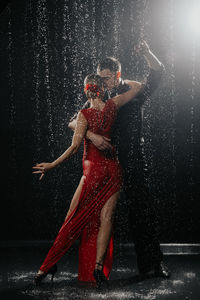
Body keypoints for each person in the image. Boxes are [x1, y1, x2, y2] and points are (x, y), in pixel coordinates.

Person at [68, 41, 170, 279]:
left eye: (106, 78)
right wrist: (91, 135)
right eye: (100, 79)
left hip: (133, 161)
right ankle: (85, 266)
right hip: (107, 164)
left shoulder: (135, 91)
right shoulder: (97, 98)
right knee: (94, 214)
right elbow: (74, 121)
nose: (102, 83)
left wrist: (146, 51)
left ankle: (153, 265)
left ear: (117, 75)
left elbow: (158, 72)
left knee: (143, 213)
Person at [32, 74, 142, 286]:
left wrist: (52, 165)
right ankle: (98, 267)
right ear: (103, 88)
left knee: (73, 219)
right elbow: (137, 88)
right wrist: (121, 81)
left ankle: (46, 267)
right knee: (107, 218)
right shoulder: (113, 105)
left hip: (92, 171)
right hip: (113, 169)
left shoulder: (84, 115)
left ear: (86, 91)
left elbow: (74, 148)